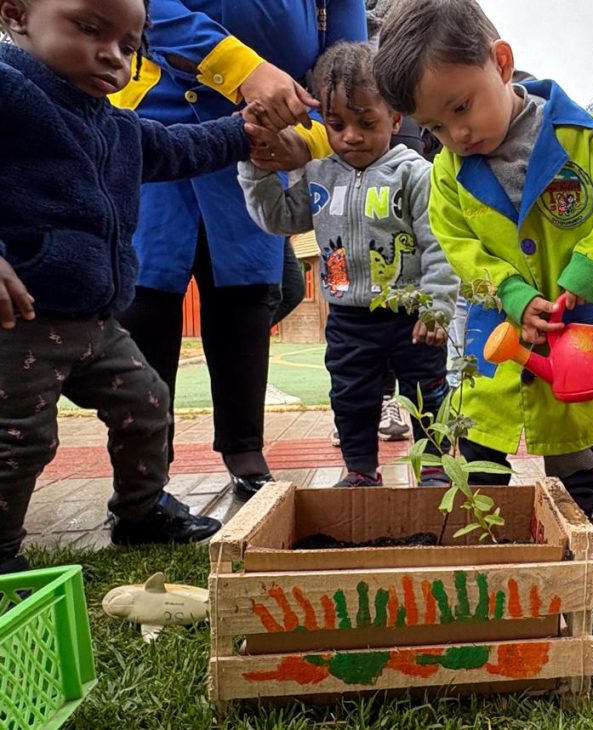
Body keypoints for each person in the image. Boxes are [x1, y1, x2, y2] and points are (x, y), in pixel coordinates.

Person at [0, 0, 272, 573]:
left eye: (129, 45)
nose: (113, 55)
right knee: (21, 440)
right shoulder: (10, 94)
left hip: (99, 324)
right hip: (20, 324)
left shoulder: (117, 125)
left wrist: (244, 131)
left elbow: (181, 148)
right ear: (16, 14)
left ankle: (141, 512)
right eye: (89, 28)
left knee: (149, 406)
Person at [372, 0, 593, 518]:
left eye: (461, 108)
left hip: (575, 326)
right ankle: (492, 549)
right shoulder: (448, 175)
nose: (456, 136)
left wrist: (591, 265)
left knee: (574, 449)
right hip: (493, 334)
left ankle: (578, 539)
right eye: (434, 127)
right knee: (479, 444)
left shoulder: (585, 137)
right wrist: (511, 292)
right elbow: (458, 244)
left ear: (500, 63)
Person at [111, 0, 367, 502]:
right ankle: (142, 477)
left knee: (246, 296)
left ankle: (246, 452)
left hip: (263, 143)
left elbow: (346, 61)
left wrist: (312, 140)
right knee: (147, 296)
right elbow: (147, 10)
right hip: (156, 127)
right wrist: (245, 69)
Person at [240, 41, 457, 488]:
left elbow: (438, 243)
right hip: (349, 317)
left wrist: (436, 306)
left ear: (396, 118)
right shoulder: (319, 173)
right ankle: (360, 470)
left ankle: (436, 466)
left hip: (413, 316)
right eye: (337, 125)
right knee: (351, 396)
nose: (351, 136)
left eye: (367, 122)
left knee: (428, 392)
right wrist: (257, 170)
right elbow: (279, 218)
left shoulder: (414, 173)